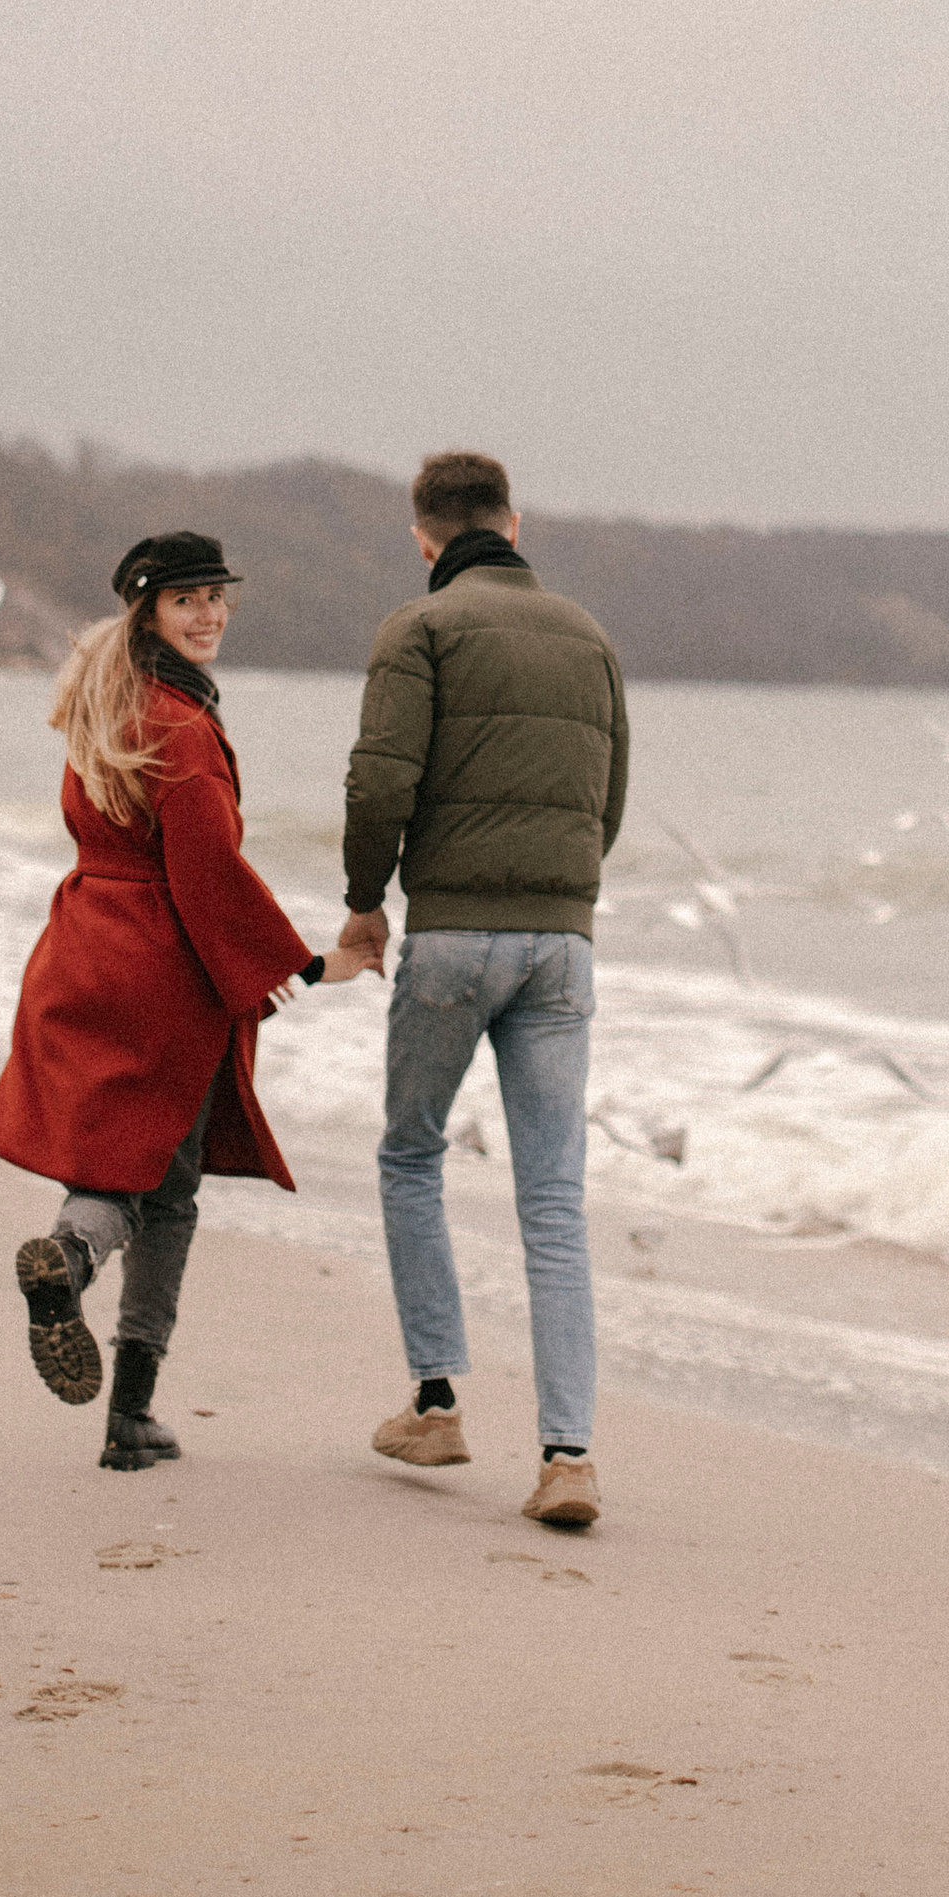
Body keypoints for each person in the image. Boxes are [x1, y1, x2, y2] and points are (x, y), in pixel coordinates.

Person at [0, 528, 376, 1471]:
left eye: (216, 598)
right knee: (168, 1185)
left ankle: (72, 1271)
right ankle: (123, 1387)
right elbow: (207, 871)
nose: (209, 615)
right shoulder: (185, 729)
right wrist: (314, 963)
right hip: (161, 968)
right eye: (186, 601)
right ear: (148, 611)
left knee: (122, 1154)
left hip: (83, 947)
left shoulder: (105, 707)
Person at [338, 452, 627, 1530]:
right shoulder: (590, 636)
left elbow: (380, 779)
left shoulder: (418, 631)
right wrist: (561, 896)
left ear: (424, 539)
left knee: (411, 1151)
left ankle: (437, 1400)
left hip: (453, 939)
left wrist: (368, 900)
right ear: (516, 522)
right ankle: (567, 1456)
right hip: (563, 945)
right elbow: (611, 799)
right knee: (553, 1200)